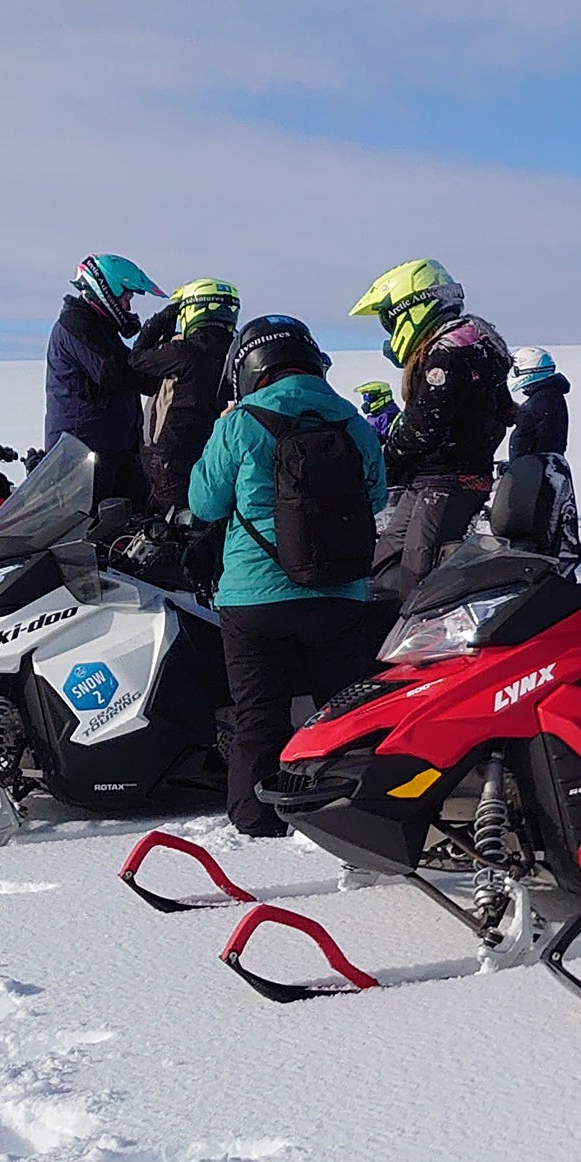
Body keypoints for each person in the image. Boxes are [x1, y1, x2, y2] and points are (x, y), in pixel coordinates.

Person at [188, 315, 389, 838]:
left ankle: (257, 824)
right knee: (342, 713)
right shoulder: (351, 420)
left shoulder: (241, 422)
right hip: (340, 593)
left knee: (258, 716)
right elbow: (377, 498)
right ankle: (346, 819)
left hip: (254, 597)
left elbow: (203, 504)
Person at [350, 259, 516, 587]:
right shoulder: (475, 342)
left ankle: (425, 635)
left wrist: (386, 464)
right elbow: (502, 414)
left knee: (418, 575)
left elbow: (423, 426)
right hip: (437, 477)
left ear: (411, 307)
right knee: (384, 561)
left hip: (446, 481)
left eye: (389, 320)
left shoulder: (448, 352)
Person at [44, 254, 160, 507]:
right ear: (107, 290)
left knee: (135, 524)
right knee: (88, 534)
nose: (128, 308)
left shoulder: (101, 329)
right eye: (126, 299)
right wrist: (149, 341)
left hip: (114, 449)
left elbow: (143, 379)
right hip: (82, 455)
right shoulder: (76, 323)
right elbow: (116, 374)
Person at [131, 278, 239, 515]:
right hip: (215, 454)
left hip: (172, 457)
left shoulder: (185, 352)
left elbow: (137, 360)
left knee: (165, 526)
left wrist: (160, 322)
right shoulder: (236, 352)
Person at [508, 346, 570, 459]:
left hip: (535, 469)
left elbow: (523, 440)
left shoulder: (541, 400)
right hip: (544, 465)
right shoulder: (550, 395)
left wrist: (515, 468)